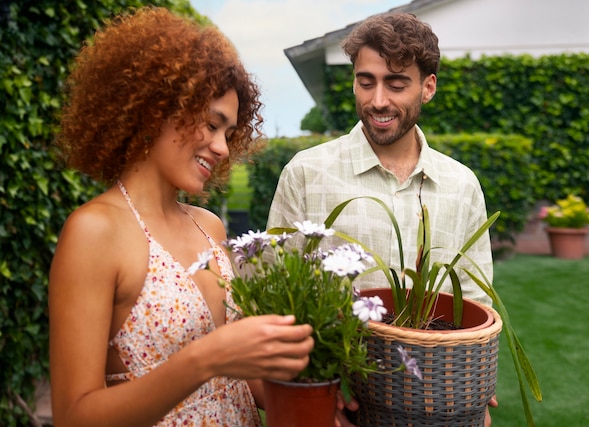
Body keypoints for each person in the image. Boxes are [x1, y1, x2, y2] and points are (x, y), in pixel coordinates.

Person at [48, 7, 314, 427]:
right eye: (211, 124)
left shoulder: (208, 226)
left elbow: (240, 381)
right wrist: (206, 358)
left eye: (228, 132)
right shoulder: (95, 232)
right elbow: (73, 415)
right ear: (156, 108)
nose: (223, 147)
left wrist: (315, 397)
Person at [267, 11, 497, 426]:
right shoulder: (306, 172)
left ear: (428, 87)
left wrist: (474, 387)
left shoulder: (461, 185)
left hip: (432, 401)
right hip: (334, 399)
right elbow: (273, 295)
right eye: (366, 81)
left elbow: (474, 302)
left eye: (396, 83)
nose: (377, 101)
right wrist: (312, 392)